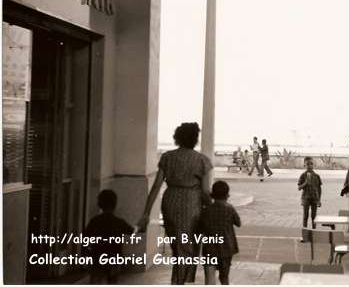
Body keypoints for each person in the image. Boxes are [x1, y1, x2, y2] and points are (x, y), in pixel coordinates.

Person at [137, 122, 213, 284]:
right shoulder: (202, 161)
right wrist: (216, 207)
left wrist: (146, 212)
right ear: (195, 139)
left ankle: (178, 280)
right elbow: (206, 192)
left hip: (170, 202)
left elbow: (156, 186)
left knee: (177, 246)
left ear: (177, 138)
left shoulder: (167, 157)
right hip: (192, 203)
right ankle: (179, 281)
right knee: (188, 246)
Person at [83, 189, 134, 284]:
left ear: (99, 204)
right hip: (114, 259)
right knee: (112, 281)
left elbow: (85, 240)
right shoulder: (119, 222)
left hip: (97, 258)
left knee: (96, 280)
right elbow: (132, 231)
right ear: (115, 204)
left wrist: (85, 257)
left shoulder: (94, 221)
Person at [198, 180, 241, 285]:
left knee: (209, 276)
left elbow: (199, 228)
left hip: (210, 248)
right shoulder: (230, 209)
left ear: (212, 195)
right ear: (227, 195)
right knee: (224, 277)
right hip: (226, 248)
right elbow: (238, 223)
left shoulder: (206, 211)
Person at [297, 157, 322, 229]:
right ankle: (305, 231)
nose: (310, 166)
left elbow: (319, 188)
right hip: (306, 198)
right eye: (308, 164)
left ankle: (314, 231)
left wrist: (319, 200)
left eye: (311, 164)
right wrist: (305, 182)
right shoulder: (303, 175)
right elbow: (299, 187)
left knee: (314, 216)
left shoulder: (317, 176)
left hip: (315, 198)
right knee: (305, 215)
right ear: (304, 165)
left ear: (314, 165)